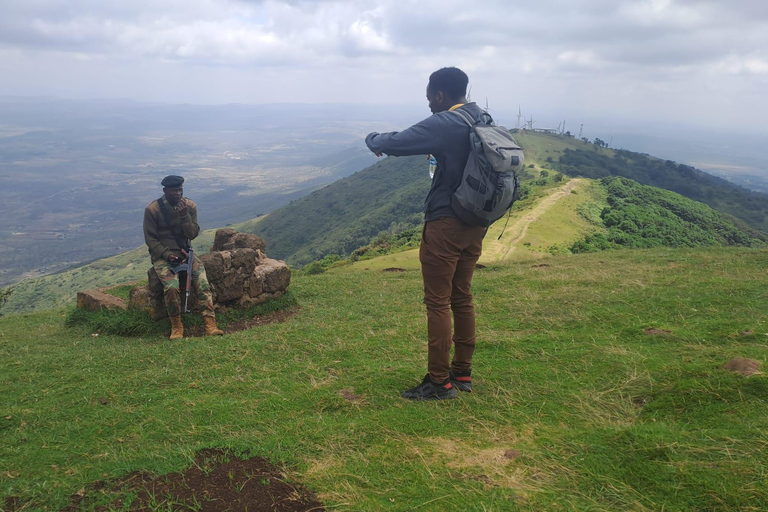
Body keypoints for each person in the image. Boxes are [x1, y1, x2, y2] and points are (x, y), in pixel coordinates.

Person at [365, 67, 487, 400]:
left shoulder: (446, 122)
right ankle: (462, 372)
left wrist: (371, 139)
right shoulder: (481, 117)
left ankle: (438, 382)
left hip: (446, 222)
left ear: (440, 95)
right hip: (477, 221)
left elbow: (397, 142)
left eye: (430, 99)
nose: (429, 105)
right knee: (462, 296)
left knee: (437, 302)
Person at [143, 175, 223, 339]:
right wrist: (167, 254)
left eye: (180, 190)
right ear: (165, 191)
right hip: (162, 256)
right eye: (174, 191)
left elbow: (192, 234)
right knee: (171, 288)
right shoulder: (153, 210)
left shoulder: (189, 206)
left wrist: (184, 216)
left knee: (203, 284)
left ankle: (210, 324)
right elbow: (151, 240)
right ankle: (176, 326)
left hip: (185, 253)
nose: (178, 193)